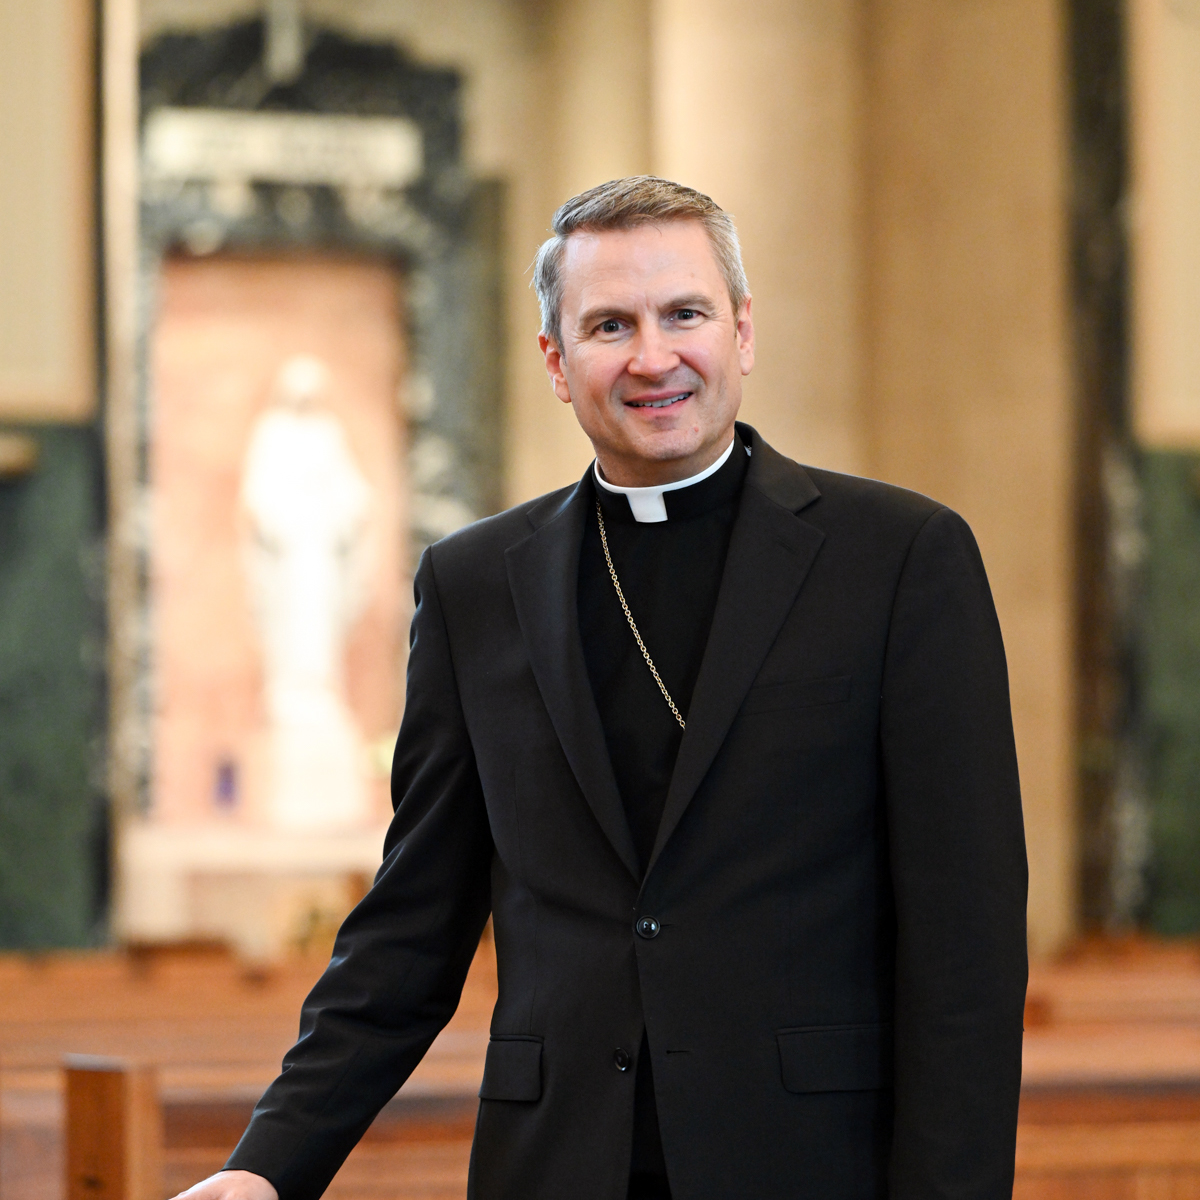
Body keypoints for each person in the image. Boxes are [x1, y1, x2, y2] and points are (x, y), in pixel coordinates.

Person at [177, 176, 1028, 1200]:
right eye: (609, 324)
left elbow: (966, 948)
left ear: (744, 332)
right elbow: (412, 925)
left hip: (807, 1165)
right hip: (557, 1166)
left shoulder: (897, 559)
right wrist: (268, 1167)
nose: (653, 357)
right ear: (556, 360)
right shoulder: (475, 585)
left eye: (685, 315)